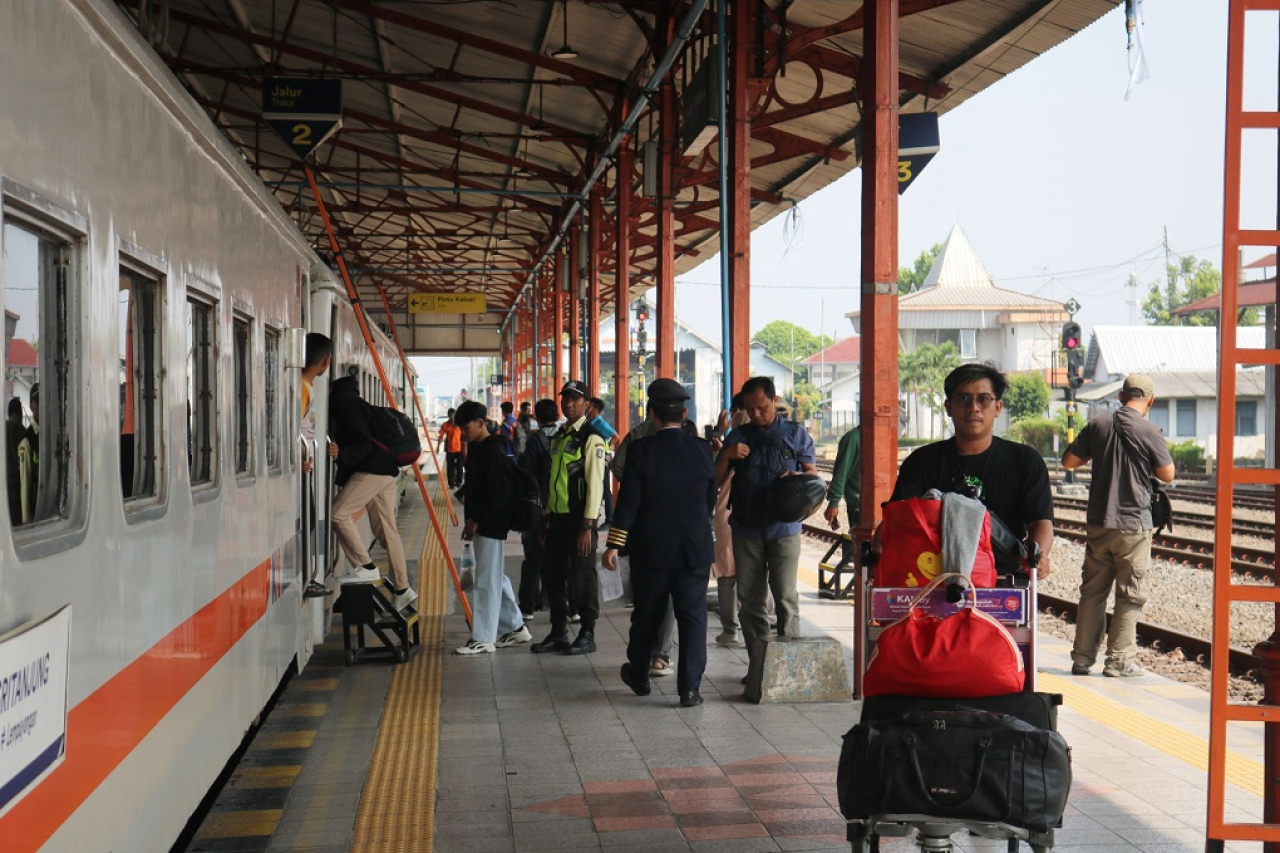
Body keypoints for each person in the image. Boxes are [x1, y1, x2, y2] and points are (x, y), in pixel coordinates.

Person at [604, 379, 717, 707]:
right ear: (684, 414)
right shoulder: (702, 449)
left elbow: (629, 503)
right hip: (693, 550)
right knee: (693, 619)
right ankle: (690, 689)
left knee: (647, 614)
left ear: (651, 413)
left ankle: (639, 675)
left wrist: (614, 544)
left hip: (651, 551)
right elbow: (709, 500)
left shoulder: (641, 451)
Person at [886, 363, 1054, 579]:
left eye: (984, 399)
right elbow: (898, 519)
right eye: (963, 398)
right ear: (948, 406)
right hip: (932, 581)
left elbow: (1040, 520)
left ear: (998, 407)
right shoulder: (921, 462)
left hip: (1002, 581)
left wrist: (1039, 556)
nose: (973, 407)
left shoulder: (1024, 460)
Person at [1062, 374, 1175, 678]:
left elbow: (1069, 462)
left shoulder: (1098, 424)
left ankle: (1082, 659)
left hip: (1099, 522)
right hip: (1133, 524)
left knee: (1093, 592)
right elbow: (1167, 474)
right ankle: (1119, 661)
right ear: (1150, 400)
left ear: (1122, 397)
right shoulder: (1149, 430)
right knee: (1130, 594)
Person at [716, 377, 817, 674]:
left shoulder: (796, 435)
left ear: (774, 400)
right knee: (750, 601)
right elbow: (717, 479)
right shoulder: (738, 436)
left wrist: (796, 478)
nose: (756, 414)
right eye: (750, 409)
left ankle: (789, 669)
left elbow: (812, 477)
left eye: (761, 407)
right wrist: (726, 454)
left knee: (785, 596)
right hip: (746, 528)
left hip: (783, 529)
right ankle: (759, 665)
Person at [530, 380, 607, 655]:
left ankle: (588, 633)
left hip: (580, 521)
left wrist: (588, 526)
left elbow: (596, 485)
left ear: (586, 403)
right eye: (566, 399)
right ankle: (558, 631)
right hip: (559, 520)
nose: (569, 404)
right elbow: (554, 482)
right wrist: (547, 519)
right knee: (554, 575)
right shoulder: (560, 436)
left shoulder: (592, 438)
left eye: (575, 399)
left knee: (583, 576)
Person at [327, 376, 417, 611]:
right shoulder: (357, 403)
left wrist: (341, 455)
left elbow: (362, 441)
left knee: (338, 513)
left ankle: (365, 568)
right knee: (386, 531)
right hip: (386, 471)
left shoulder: (345, 405)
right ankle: (402, 589)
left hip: (373, 470)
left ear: (331, 389)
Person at [453, 400, 532, 655]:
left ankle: (483, 637)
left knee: (486, 579)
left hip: (490, 522)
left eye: (466, 428)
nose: (463, 433)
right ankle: (516, 627)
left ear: (480, 423)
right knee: (494, 575)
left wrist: (476, 520)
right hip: (482, 520)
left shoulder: (493, 451)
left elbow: (498, 493)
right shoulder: (478, 448)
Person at [517, 398, 559, 620]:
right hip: (560, 508)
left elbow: (527, 476)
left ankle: (527, 606)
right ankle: (555, 602)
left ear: (537, 418)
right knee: (559, 558)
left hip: (538, 508)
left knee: (533, 558)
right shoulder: (565, 437)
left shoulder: (536, 441)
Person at [300, 333, 333, 599]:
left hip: (305, 465)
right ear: (325, 362)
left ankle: (308, 575)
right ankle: (306, 576)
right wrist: (300, 455)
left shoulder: (304, 386)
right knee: (308, 519)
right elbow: (289, 429)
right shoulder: (302, 387)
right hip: (301, 469)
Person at [824, 425, 861, 532]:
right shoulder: (853, 438)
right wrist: (834, 502)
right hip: (858, 505)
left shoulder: (855, 437)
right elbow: (841, 471)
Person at [439, 409, 465, 488]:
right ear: (448, 416)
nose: (452, 417)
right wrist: (438, 446)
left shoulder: (460, 425)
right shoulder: (445, 425)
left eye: (453, 415)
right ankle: (451, 483)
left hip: (460, 449)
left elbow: (466, 435)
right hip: (450, 449)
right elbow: (441, 436)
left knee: (460, 466)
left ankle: (459, 482)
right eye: (450, 416)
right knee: (450, 467)